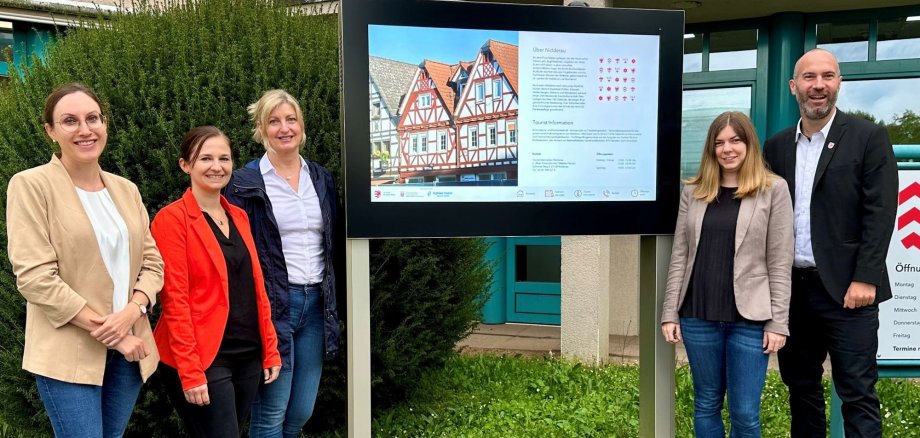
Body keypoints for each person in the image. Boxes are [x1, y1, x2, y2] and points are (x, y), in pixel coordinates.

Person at [6, 83, 164, 437]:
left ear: (105, 124)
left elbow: (153, 264)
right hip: (69, 355)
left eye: (93, 118)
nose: (85, 129)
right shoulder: (30, 186)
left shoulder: (126, 189)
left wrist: (132, 312)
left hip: (129, 350)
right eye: (69, 121)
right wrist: (113, 333)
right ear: (50, 131)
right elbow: (35, 278)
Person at [763, 48, 898, 437]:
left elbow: (880, 211)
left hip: (849, 292)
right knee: (801, 389)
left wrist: (866, 277)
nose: (818, 86)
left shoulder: (868, 137)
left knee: (857, 393)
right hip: (794, 292)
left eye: (827, 76)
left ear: (839, 83)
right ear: (794, 87)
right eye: (809, 78)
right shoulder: (775, 147)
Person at [661, 111, 793, 437]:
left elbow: (779, 261)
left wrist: (778, 321)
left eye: (735, 140)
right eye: (719, 142)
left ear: (749, 144)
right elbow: (680, 256)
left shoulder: (773, 190)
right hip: (698, 315)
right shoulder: (693, 192)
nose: (727, 149)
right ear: (711, 149)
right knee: (705, 402)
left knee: (745, 413)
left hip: (749, 319)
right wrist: (670, 313)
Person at [151, 126, 281, 437]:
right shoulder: (171, 220)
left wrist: (270, 347)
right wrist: (191, 371)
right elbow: (175, 300)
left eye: (224, 158)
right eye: (205, 158)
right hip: (204, 357)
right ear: (186, 165)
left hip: (247, 354)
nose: (216, 166)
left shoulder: (238, 215)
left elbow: (257, 288)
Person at [224, 89, 340, 438]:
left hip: (317, 303)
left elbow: (332, 242)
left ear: (302, 126)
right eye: (274, 121)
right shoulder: (243, 184)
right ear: (261, 128)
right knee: (271, 412)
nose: (284, 128)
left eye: (291, 119)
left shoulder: (320, 178)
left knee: (301, 411)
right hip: (274, 305)